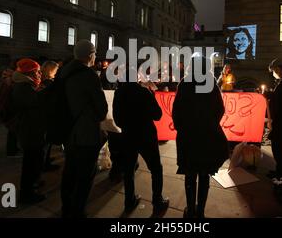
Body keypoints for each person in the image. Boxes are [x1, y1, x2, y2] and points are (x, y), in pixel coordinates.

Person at [172, 56, 229, 218]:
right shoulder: (210, 83)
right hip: (208, 135)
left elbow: (177, 109)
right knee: (204, 175)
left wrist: (181, 127)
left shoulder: (185, 82)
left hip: (188, 136)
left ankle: (190, 210)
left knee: (190, 174)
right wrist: (211, 123)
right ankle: (200, 211)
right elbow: (220, 109)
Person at [113, 65, 170, 216]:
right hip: (146, 135)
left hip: (128, 136)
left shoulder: (119, 93)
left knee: (129, 170)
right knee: (156, 169)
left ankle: (129, 200)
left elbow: (117, 119)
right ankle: (157, 200)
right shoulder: (143, 92)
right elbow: (157, 115)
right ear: (136, 78)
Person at [60, 39, 108, 218]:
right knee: (85, 175)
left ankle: (66, 208)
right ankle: (78, 211)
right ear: (90, 56)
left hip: (69, 130)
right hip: (86, 133)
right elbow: (101, 110)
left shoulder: (63, 72)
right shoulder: (89, 76)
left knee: (70, 171)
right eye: (95, 53)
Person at [11, 58, 46, 203]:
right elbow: (34, 105)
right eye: (37, 71)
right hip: (29, 130)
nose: (40, 74)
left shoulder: (27, 85)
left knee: (35, 159)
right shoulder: (23, 87)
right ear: (30, 72)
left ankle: (34, 182)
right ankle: (27, 192)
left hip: (32, 128)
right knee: (30, 161)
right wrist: (43, 93)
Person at [39, 60, 60, 171]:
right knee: (45, 144)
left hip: (45, 117)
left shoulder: (43, 82)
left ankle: (45, 161)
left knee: (47, 143)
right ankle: (43, 165)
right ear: (50, 70)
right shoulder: (48, 84)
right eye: (56, 70)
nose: (57, 72)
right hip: (47, 117)